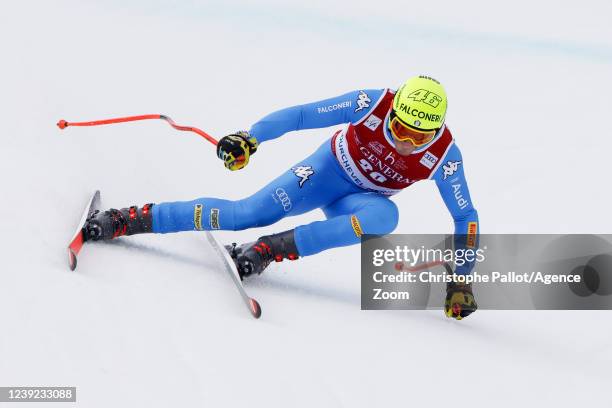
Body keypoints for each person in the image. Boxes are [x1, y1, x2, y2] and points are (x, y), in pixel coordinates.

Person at [83, 75, 479, 319]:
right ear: (393, 111)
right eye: (400, 129)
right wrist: (251, 137)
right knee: (245, 213)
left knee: (385, 218)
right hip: (325, 173)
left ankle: (267, 250)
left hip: (358, 202)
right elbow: (303, 115)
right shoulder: (372, 103)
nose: (406, 143)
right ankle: (128, 219)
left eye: (419, 137)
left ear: (437, 131)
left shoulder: (444, 157)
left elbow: (466, 217)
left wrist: (462, 280)